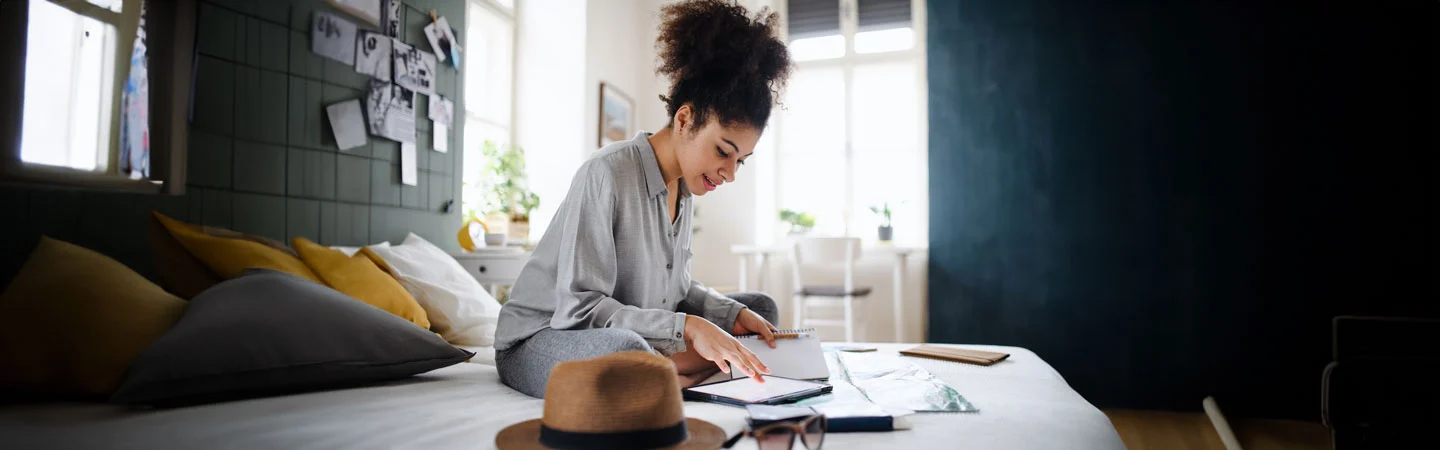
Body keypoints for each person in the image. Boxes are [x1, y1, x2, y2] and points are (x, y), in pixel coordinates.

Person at [493, 0, 793, 398]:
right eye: (723, 151)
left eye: (741, 159)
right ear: (684, 120)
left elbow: (675, 289)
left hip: (618, 330)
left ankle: (667, 372)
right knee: (628, 351)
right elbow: (579, 311)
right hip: (543, 339)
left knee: (760, 310)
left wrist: (729, 314)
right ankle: (665, 371)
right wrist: (686, 327)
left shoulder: (685, 188)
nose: (730, 173)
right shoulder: (606, 173)